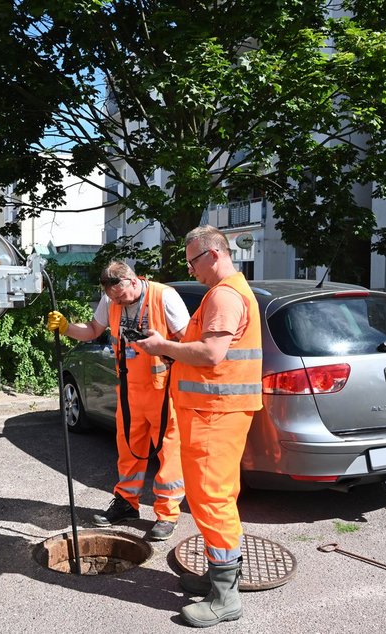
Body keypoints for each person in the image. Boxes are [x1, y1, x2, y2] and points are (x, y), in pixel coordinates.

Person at [134, 226, 262, 628]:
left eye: (191, 261)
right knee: (213, 498)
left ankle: (225, 598)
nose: (190, 269)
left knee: (213, 500)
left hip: (214, 414)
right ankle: (218, 576)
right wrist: (170, 349)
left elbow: (211, 353)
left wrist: (162, 348)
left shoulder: (224, 295)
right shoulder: (227, 291)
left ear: (212, 254)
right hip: (212, 411)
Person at [46, 260, 190, 541]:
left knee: (168, 452)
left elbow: (189, 342)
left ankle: (167, 514)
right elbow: (92, 331)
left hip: (164, 390)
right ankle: (126, 503)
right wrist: (65, 327)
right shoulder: (110, 300)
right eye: (113, 298)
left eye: (121, 297)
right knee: (128, 450)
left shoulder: (164, 297)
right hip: (129, 388)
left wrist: (164, 346)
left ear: (134, 281)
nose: (118, 303)